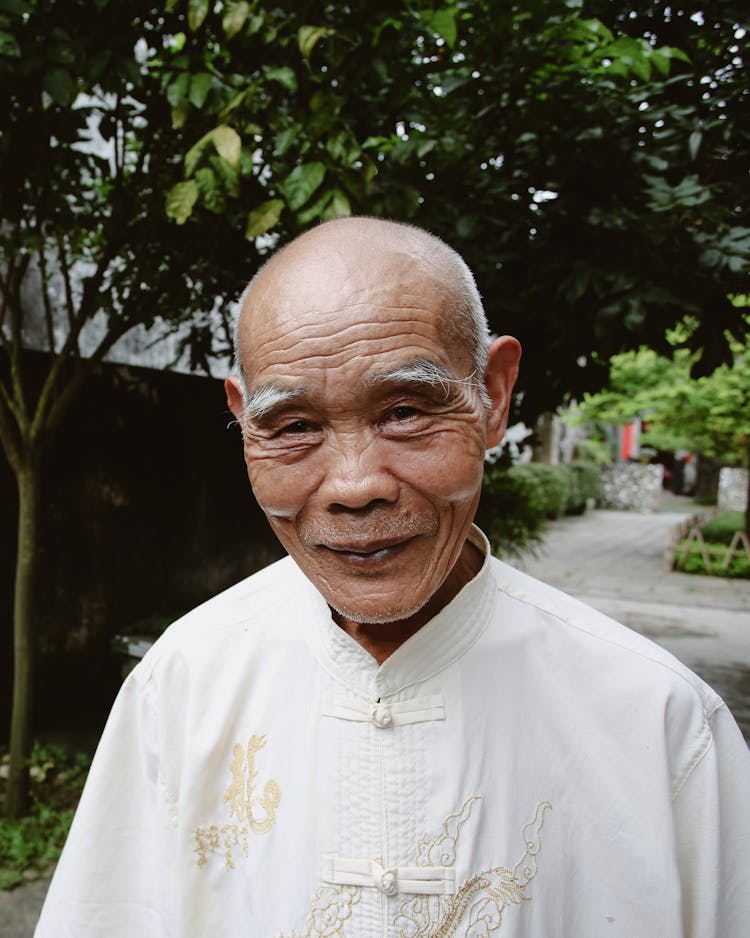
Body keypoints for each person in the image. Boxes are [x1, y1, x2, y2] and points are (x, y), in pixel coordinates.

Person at [36, 217, 750, 938]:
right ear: (242, 422)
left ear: (494, 396)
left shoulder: (660, 725)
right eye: (291, 426)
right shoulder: (184, 685)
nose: (353, 486)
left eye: (405, 411)